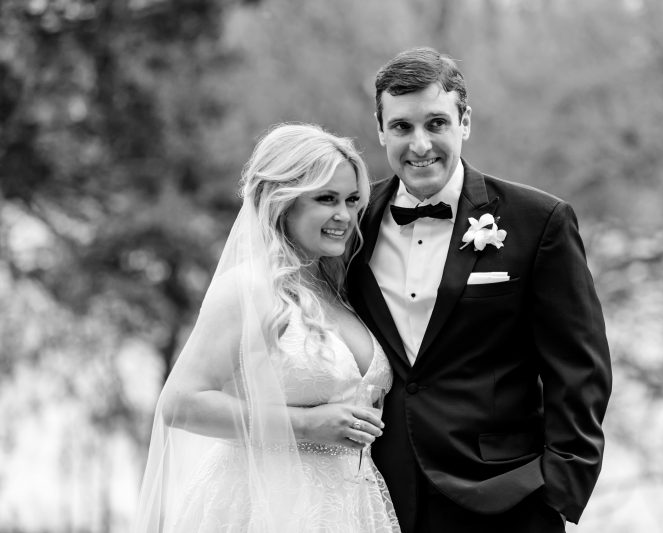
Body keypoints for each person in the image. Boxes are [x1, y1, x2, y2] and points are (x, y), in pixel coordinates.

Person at [346, 47, 613, 533]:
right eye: (402, 126)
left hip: (507, 496)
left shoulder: (539, 221)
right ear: (381, 130)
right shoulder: (352, 225)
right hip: (377, 495)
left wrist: (560, 488)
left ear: (464, 121)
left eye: (436, 123)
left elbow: (580, 368)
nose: (420, 145)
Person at [134, 123, 400, 532]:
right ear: (283, 202)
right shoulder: (250, 288)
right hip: (264, 505)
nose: (344, 216)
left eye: (351, 200)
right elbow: (180, 404)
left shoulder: (342, 292)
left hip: (349, 507)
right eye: (326, 199)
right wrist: (306, 425)